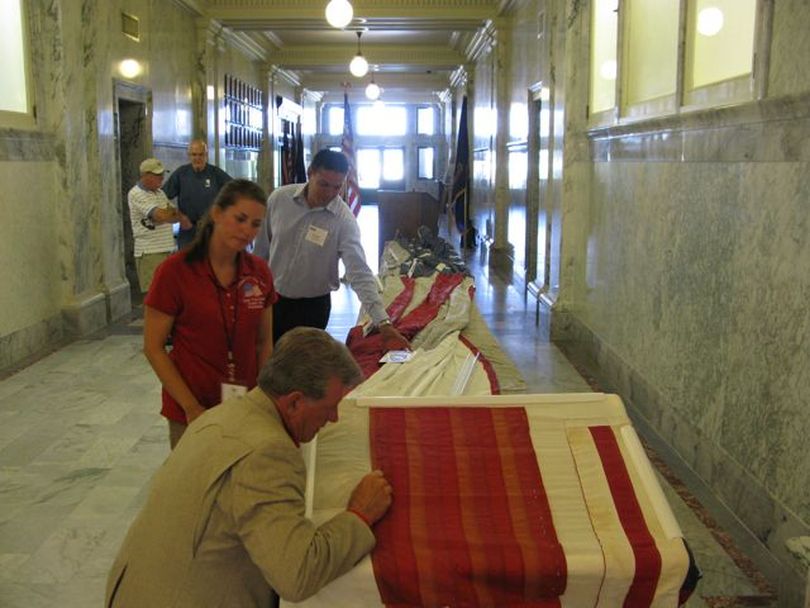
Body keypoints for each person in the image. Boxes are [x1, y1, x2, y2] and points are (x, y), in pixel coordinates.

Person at [106, 328, 393, 608]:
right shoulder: (268, 452)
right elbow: (296, 575)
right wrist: (359, 514)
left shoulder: (221, 414)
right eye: (330, 406)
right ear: (294, 402)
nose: (333, 418)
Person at [144, 179, 276, 448]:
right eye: (240, 218)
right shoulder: (174, 272)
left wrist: (263, 398)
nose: (247, 230)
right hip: (191, 407)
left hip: (245, 404)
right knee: (194, 484)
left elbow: (264, 342)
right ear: (217, 213)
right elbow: (154, 348)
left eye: (255, 224)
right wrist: (191, 407)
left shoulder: (259, 272)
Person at [254, 149, 409, 348]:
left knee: (302, 367)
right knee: (265, 359)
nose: (329, 193)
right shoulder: (279, 200)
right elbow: (260, 253)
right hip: (271, 302)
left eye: (337, 187)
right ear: (310, 173)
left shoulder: (343, 221)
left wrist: (383, 323)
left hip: (312, 308)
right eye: (323, 184)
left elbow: (359, 272)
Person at [163, 138, 233, 248]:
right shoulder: (181, 174)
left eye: (201, 155)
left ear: (206, 155)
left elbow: (235, 192)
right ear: (189, 155)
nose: (197, 158)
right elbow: (162, 196)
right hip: (188, 232)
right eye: (194, 155)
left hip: (212, 230)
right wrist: (178, 216)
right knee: (187, 263)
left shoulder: (216, 174)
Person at [127, 158, 181, 293]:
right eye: (157, 175)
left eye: (162, 174)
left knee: (168, 295)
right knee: (153, 296)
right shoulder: (136, 193)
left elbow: (176, 215)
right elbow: (161, 216)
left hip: (167, 250)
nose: (162, 178)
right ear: (145, 176)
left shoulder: (160, 193)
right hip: (150, 253)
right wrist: (164, 215)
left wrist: (165, 216)